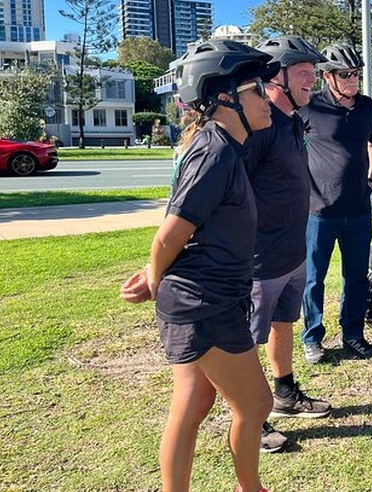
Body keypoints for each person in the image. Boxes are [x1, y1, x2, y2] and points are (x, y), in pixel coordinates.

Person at [119, 39, 278, 492]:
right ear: (225, 98)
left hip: (204, 298)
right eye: (257, 90)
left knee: (192, 403)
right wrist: (153, 278)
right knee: (256, 404)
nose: (266, 98)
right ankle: (252, 489)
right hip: (204, 304)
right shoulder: (215, 151)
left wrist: (157, 278)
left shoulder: (223, 146)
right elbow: (171, 233)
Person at [246, 35, 333, 453]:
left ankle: (284, 393)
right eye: (304, 74)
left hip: (293, 252)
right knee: (246, 340)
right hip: (260, 258)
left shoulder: (294, 122)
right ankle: (251, 418)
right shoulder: (259, 126)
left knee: (285, 325)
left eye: (313, 75)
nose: (312, 82)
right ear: (277, 76)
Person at [300, 43, 372, 363]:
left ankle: (353, 333)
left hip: (358, 209)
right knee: (314, 278)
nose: (353, 81)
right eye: (345, 75)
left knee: (357, 276)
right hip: (319, 210)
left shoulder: (366, 106)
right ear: (328, 77)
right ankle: (312, 338)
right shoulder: (309, 106)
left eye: (356, 75)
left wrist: (371, 179)